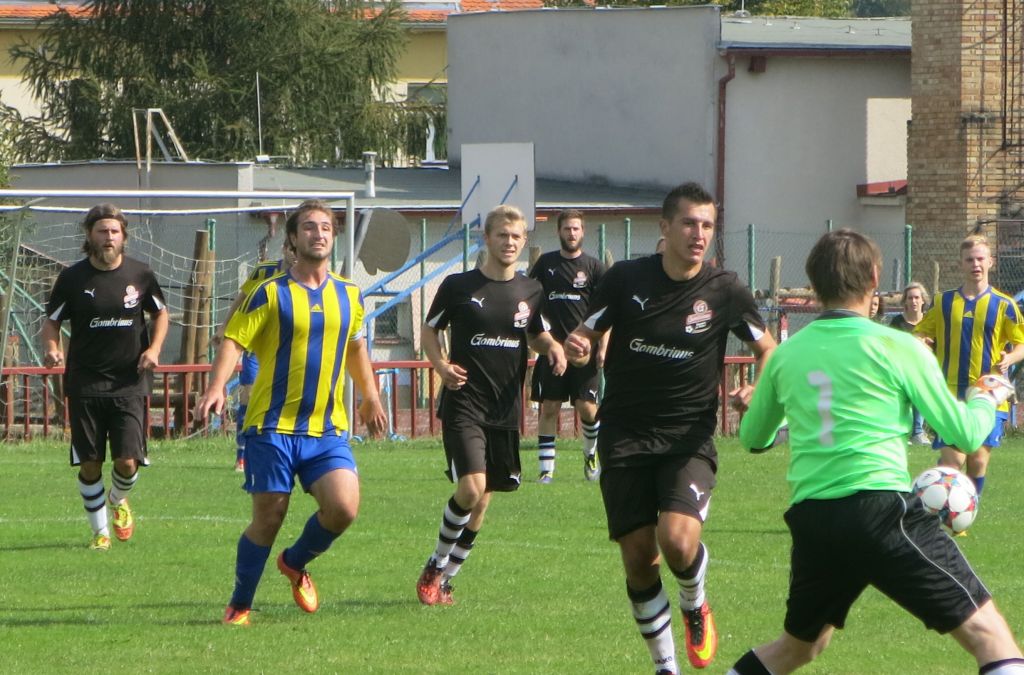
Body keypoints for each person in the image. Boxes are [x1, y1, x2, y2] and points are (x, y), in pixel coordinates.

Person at [728, 228, 1024, 675]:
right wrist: (985, 396)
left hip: (814, 519)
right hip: (880, 513)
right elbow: (963, 434)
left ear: (813, 284)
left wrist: (764, 411)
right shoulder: (897, 346)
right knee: (990, 636)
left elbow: (754, 439)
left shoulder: (786, 355)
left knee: (796, 648)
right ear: (874, 278)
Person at [564, 182, 777, 673]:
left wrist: (757, 388)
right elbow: (585, 332)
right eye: (689, 224)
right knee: (639, 560)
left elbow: (768, 349)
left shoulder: (725, 290)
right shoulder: (625, 279)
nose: (699, 234)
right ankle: (666, 667)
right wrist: (577, 346)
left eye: (707, 225)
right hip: (625, 434)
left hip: (688, 438)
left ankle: (694, 601)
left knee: (678, 542)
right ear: (665, 227)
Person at [195, 199, 387, 626]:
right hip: (271, 426)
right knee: (269, 517)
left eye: (325, 227)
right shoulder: (269, 291)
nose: (318, 233)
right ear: (293, 239)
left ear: (334, 237)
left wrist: (370, 396)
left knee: (344, 508)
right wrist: (216, 387)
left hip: (326, 429)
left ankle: (294, 562)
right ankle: (240, 605)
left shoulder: (349, 294)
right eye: (309, 227)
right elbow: (233, 341)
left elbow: (356, 347)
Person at [416, 204, 567, 607]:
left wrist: (553, 348)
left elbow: (536, 335)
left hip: (505, 409)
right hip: (464, 402)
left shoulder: (531, 291)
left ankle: (447, 580)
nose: (509, 242)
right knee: (471, 487)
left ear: (524, 241)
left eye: (516, 236)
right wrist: (441, 366)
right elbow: (430, 331)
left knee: (483, 501)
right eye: (502, 235)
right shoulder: (458, 286)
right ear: (486, 238)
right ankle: (434, 565)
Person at [41, 203, 169, 551]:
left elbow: (161, 314)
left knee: (126, 462)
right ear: (90, 235)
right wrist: (52, 348)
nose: (109, 237)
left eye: (114, 231)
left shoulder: (141, 274)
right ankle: (100, 533)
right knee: (90, 463)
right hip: (85, 382)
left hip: (129, 381)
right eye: (102, 231)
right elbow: (51, 322)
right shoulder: (72, 278)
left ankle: (117, 499)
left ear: (123, 236)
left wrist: (154, 349)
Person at [915, 234, 1024, 498]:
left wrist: (1010, 358)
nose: (975, 264)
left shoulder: (1004, 305)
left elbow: (1021, 343)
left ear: (990, 262)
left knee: (977, 460)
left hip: (989, 394)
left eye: (980, 259)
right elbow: (919, 333)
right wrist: (922, 342)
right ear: (960, 264)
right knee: (953, 461)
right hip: (950, 394)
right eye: (969, 260)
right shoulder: (943, 302)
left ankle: (967, 509)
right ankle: (943, 509)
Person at [528, 209, 606, 483]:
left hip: (584, 351)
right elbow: (530, 300)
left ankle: (591, 455)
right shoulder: (545, 264)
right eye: (567, 229)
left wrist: (603, 347)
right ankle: (546, 470)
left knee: (587, 408)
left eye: (576, 229)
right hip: (552, 350)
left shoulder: (595, 267)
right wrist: (539, 339)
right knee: (549, 407)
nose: (571, 233)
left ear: (583, 232)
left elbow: (606, 312)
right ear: (558, 232)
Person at [214, 243, 297, 472]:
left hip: (285, 352)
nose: (295, 254)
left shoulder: (307, 278)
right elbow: (243, 298)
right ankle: (242, 455)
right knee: (248, 397)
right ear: (284, 249)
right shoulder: (264, 271)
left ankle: (279, 452)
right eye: (291, 249)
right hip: (254, 348)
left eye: (297, 250)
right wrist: (224, 327)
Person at [889, 281, 931, 445]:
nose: (913, 301)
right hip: (902, 368)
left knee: (920, 388)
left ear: (923, 300)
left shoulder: (929, 321)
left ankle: (918, 432)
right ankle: (903, 432)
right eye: (910, 298)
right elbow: (892, 346)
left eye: (917, 298)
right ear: (905, 301)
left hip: (924, 369)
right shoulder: (898, 322)